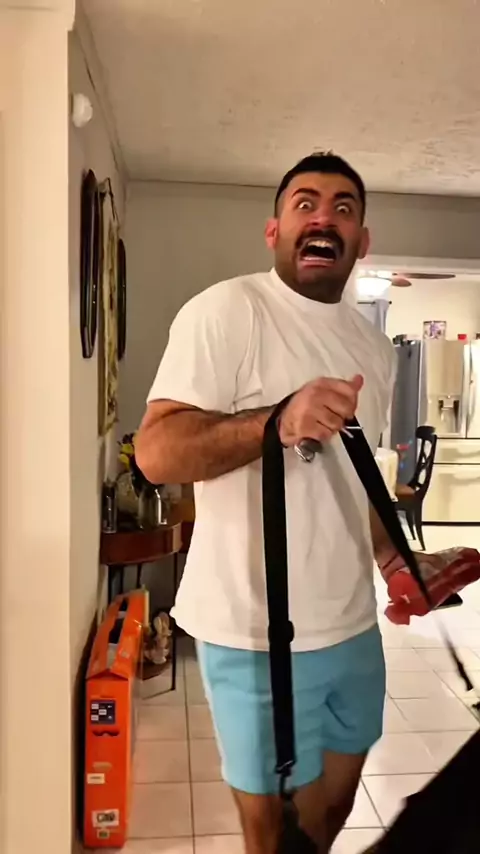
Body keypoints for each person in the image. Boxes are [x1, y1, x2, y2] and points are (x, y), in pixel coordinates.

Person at [135, 152, 399, 853]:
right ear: (274, 229)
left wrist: (397, 559)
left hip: (354, 627)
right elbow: (156, 453)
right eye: (305, 203)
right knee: (275, 836)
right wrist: (275, 421)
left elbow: (356, 488)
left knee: (331, 814)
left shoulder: (374, 348)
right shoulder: (229, 311)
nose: (324, 218)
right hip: (254, 633)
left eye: (343, 208)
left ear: (362, 240)